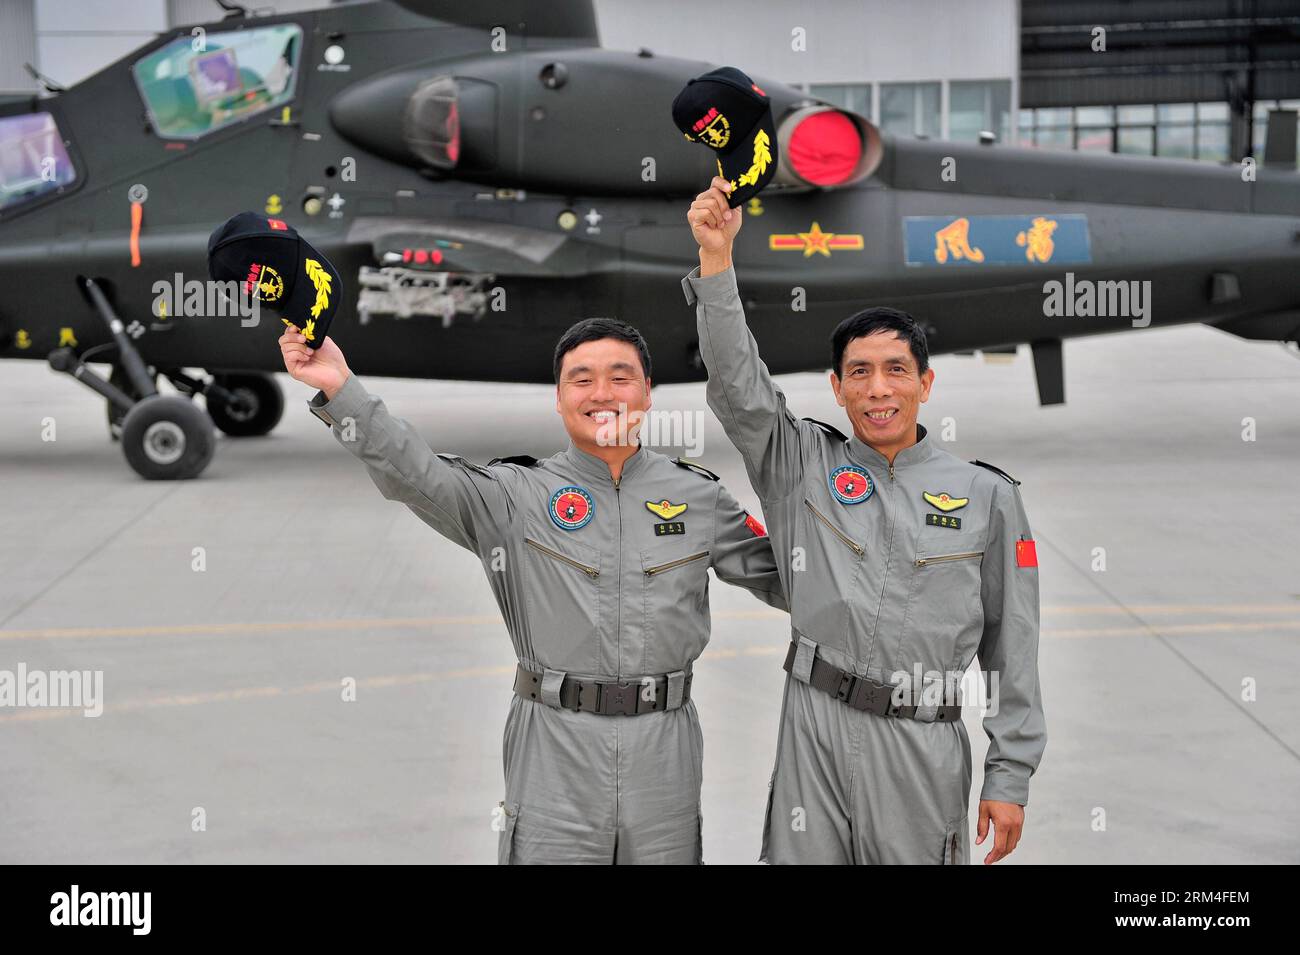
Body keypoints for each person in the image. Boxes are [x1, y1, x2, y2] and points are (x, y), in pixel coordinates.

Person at [278, 316, 785, 864]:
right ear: (560, 398)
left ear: (647, 394)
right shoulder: (513, 495)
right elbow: (415, 472)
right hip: (553, 744)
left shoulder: (700, 498)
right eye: (581, 379)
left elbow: (798, 582)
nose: (602, 394)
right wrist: (340, 387)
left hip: (664, 752)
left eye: (621, 377)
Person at [683, 176, 1046, 864]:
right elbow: (738, 385)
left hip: (920, 740)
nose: (878, 389)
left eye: (895, 370)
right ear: (838, 386)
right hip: (813, 730)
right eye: (860, 373)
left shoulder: (986, 496)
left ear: (925, 383)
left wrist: (1010, 773)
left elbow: (1012, 647)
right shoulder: (798, 461)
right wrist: (716, 261)